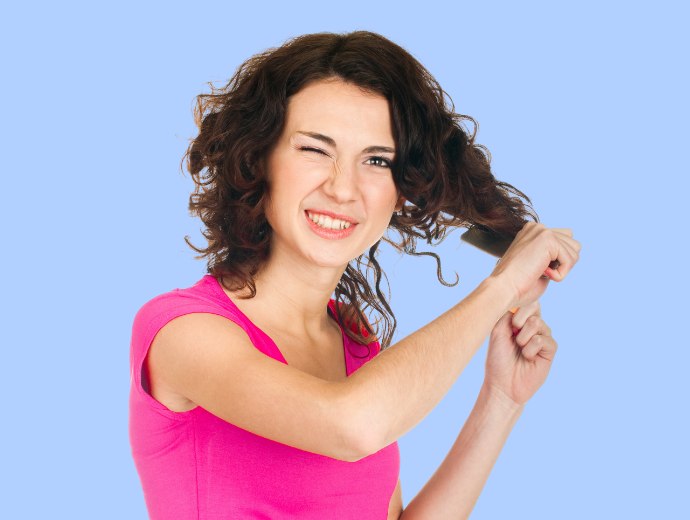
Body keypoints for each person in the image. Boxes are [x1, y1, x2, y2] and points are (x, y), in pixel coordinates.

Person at [129, 30, 581, 519]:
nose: (343, 189)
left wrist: (501, 401)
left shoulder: (353, 337)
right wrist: (500, 288)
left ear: (402, 189)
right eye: (314, 150)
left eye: (376, 160)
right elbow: (352, 427)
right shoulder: (181, 332)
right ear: (259, 159)